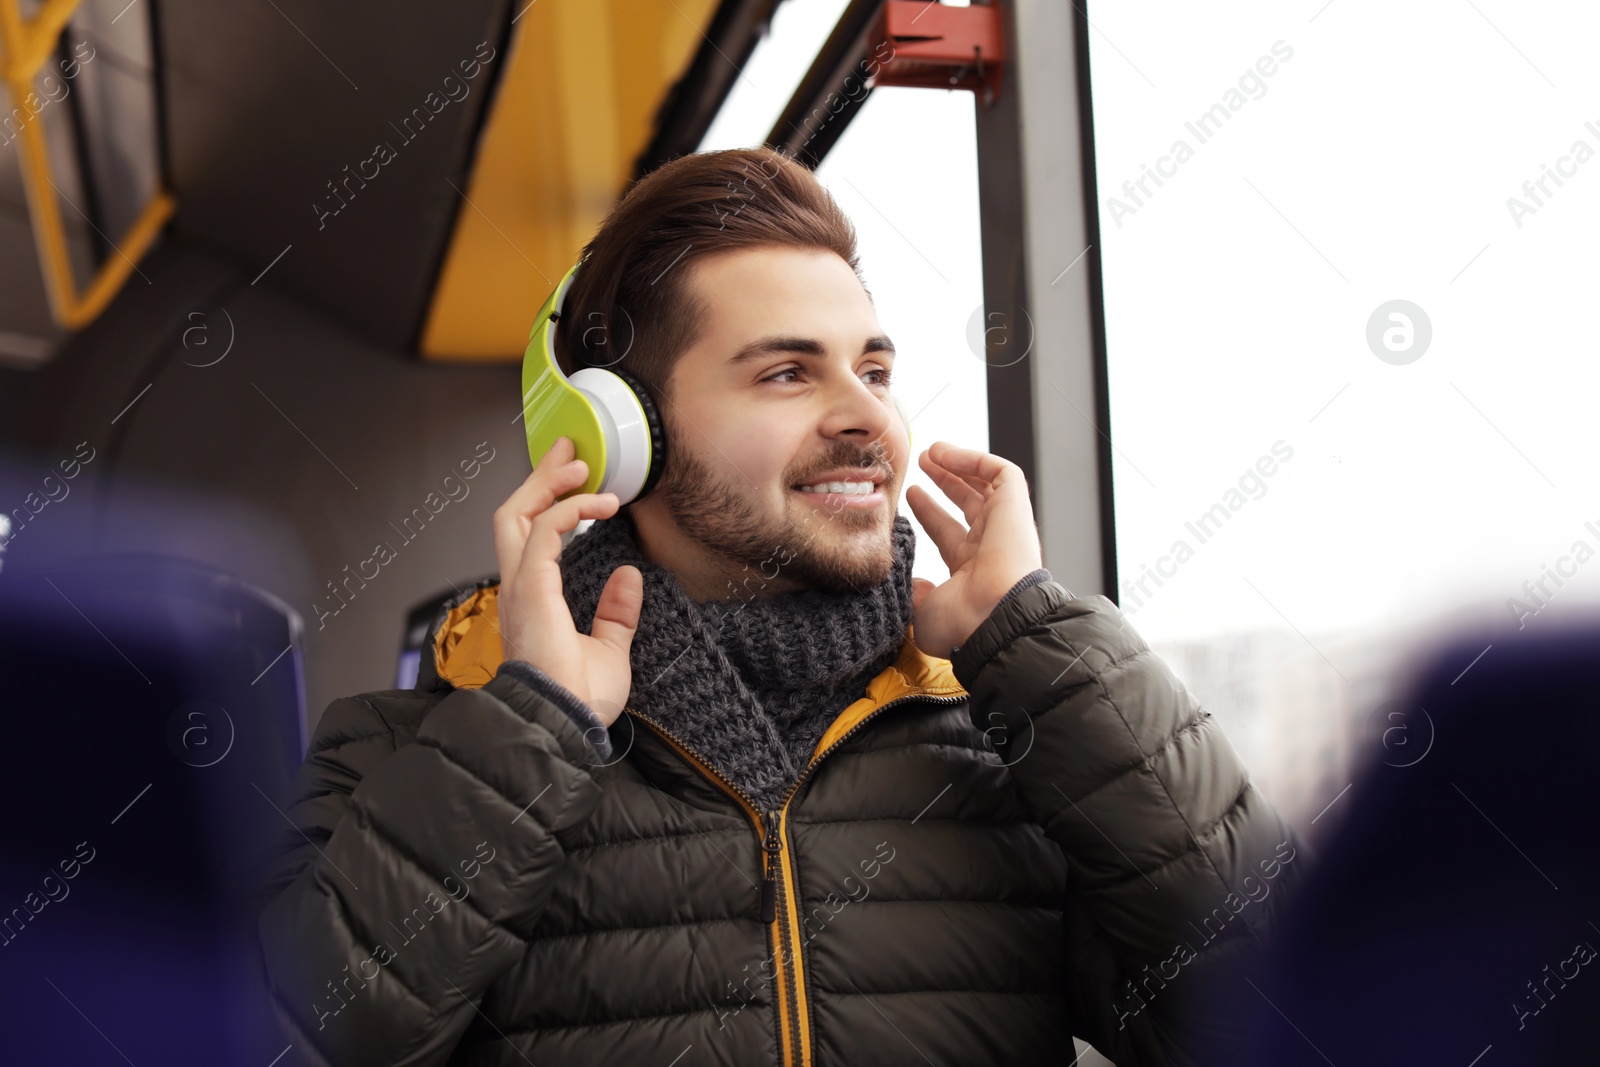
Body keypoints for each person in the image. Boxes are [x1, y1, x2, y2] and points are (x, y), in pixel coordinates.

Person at [257, 146, 1306, 1066]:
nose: (868, 418)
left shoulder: (1014, 744)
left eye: (875, 367)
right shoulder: (409, 753)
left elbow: (1293, 1019)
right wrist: (530, 732)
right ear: (621, 430)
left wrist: (1046, 649)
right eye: (787, 373)